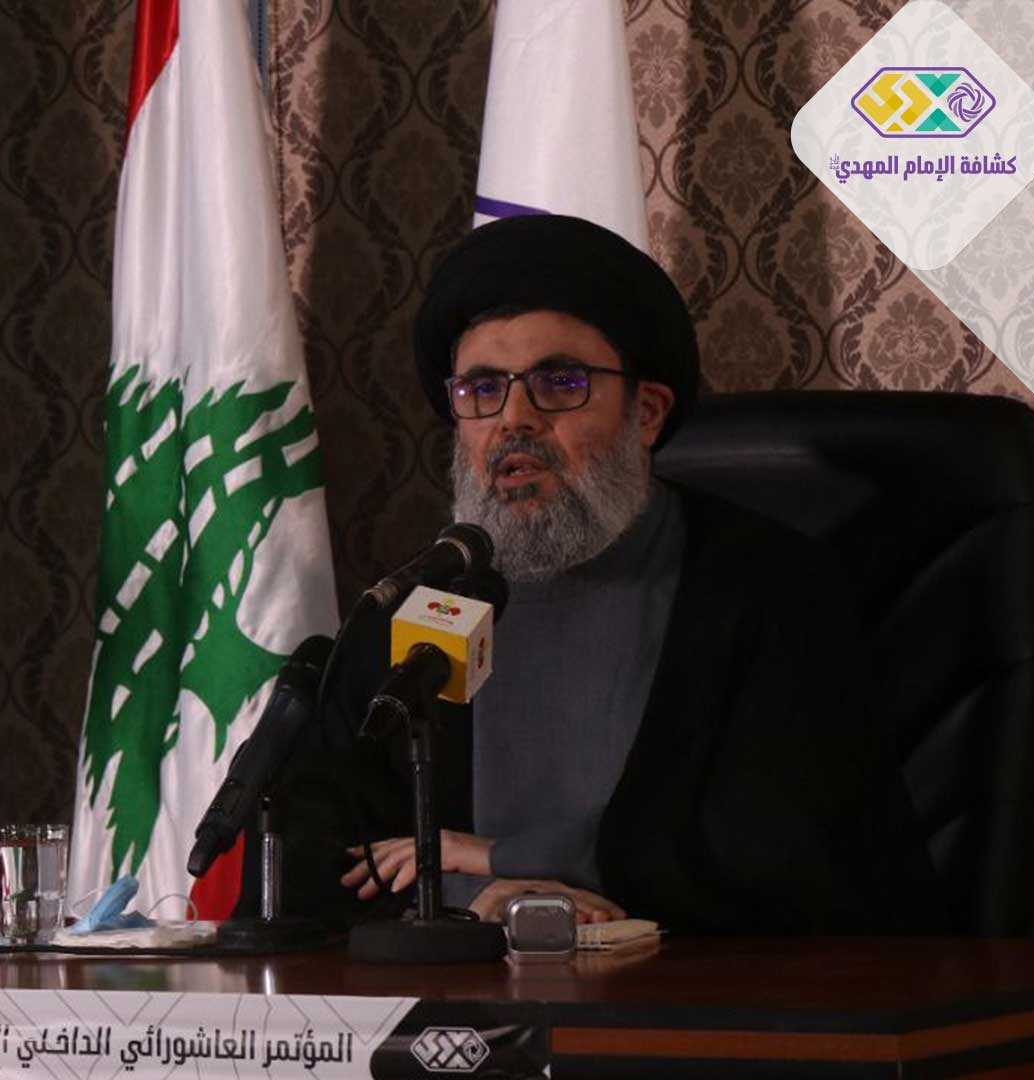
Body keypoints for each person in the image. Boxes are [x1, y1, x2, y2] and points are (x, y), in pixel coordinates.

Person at [253, 213, 933, 936]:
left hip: (700, 992)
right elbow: (305, 865)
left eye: (560, 382)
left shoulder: (769, 588)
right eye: (482, 389)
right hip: (464, 997)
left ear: (647, 414)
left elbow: (789, 851)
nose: (514, 419)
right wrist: (475, 899)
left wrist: (502, 857)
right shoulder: (418, 605)